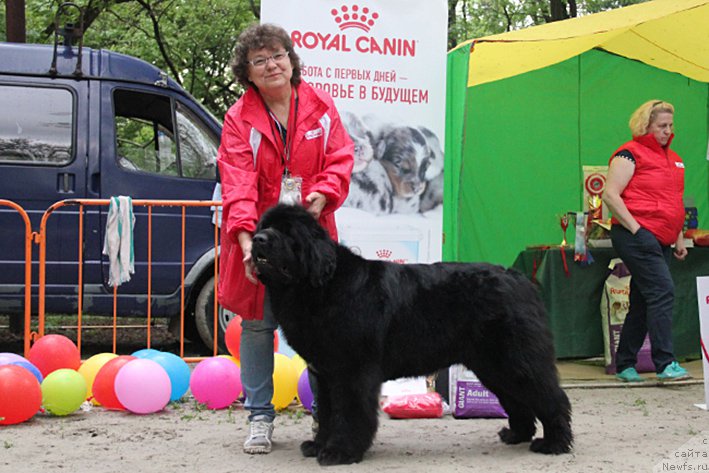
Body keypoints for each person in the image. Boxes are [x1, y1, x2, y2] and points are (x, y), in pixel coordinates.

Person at [216, 23, 354, 454]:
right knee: (257, 325)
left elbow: (341, 157)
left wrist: (324, 193)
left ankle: (325, 415)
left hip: (310, 237)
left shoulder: (320, 105)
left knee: (323, 324)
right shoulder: (239, 119)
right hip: (260, 236)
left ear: (291, 60)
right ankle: (259, 416)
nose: (271, 64)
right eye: (260, 60)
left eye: (277, 55)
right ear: (248, 73)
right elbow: (237, 183)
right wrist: (244, 242)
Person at [602, 99, 691, 383]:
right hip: (636, 235)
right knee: (662, 292)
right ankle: (665, 363)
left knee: (643, 300)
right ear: (646, 126)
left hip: (660, 238)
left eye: (670, 125)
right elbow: (610, 195)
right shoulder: (629, 154)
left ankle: (625, 364)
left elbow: (673, 201)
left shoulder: (674, 159)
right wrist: (638, 230)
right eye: (661, 126)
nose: (667, 131)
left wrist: (678, 237)